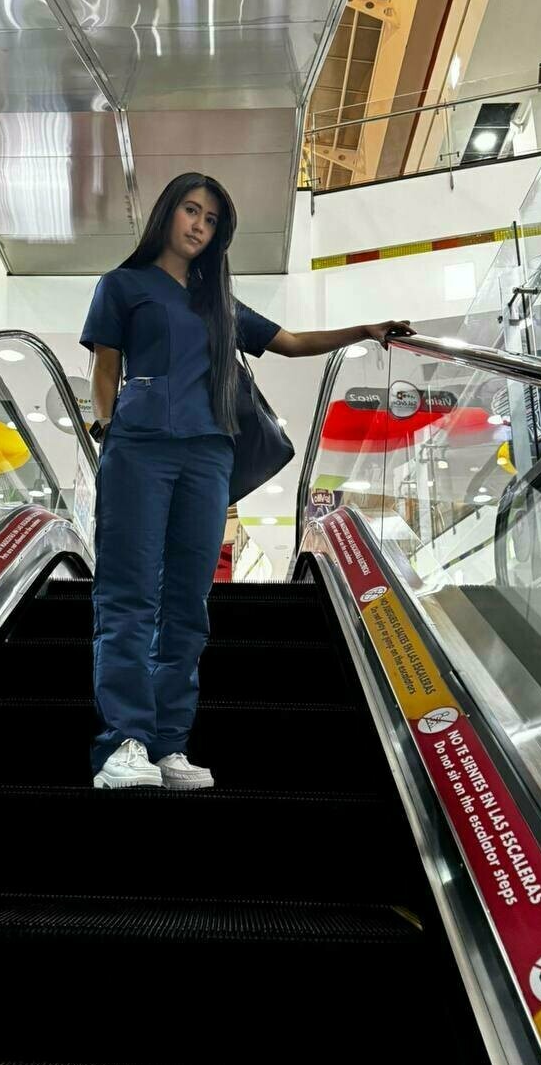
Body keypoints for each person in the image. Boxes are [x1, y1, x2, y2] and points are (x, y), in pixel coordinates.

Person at [80, 172, 414, 791]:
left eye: (211, 220)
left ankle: (168, 745)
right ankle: (123, 741)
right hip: (139, 450)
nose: (199, 226)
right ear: (167, 213)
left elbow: (291, 341)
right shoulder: (122, 285)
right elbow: (105, 368)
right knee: (130, 595)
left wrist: (363, 330)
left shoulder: (219, 304)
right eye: (191, 210)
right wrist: (107, 431)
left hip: (210, 457)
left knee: (188, 604)